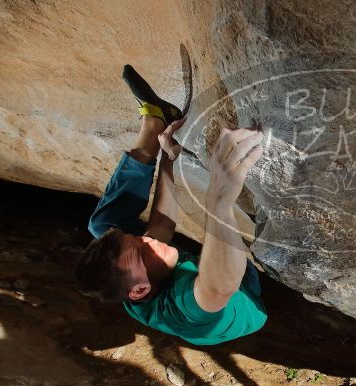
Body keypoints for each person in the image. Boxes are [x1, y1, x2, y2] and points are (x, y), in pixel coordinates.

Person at [75, 65, 267, 345]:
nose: (147, 239)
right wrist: (219, 202)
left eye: (138, 240)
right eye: (142, 251)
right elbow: (218, 288)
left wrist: (168, 158)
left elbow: (162, 227)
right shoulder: (180, 306)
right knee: (211, 279)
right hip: (240, 287)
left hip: (185, 275)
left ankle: (155, 121)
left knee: (100, 225)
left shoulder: (141, 266)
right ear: (140, 290)